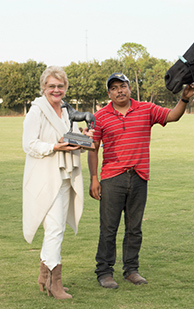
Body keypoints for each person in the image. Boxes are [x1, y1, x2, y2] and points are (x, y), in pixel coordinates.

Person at [88, 73, 193, 289]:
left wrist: (183, 98)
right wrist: (93, 179)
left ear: (129, 88)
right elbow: (93, 148)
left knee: (134, 228)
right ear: (109, 93)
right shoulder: (100, 116)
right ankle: (105, 271)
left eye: (123, 86)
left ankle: (131, 270)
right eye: (115, 88)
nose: (120, 91)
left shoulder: (146, 109)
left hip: (139, 177)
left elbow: (172, 116)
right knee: (109, 228)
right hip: (112, 178)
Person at [22, 66, 93, 299]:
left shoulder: (65, 110)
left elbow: (71, 141)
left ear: (65, 88)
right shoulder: (36, 111)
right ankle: (55, 283)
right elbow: (29, 144)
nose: (56, 89)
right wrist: (54, 147)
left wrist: (83, 138)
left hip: (65, 176)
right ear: (44, 87)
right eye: (52, 86)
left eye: (60, 86)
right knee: (54, 229)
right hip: (46, 176)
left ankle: (45, 275)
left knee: (57, 228)